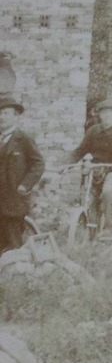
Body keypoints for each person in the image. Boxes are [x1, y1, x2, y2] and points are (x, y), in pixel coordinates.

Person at [69, 97, 112, 233]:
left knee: (107, 192)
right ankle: (90, 235)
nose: (107, 116)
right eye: (104, 113)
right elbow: (80, 151)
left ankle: (111, 230)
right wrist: (66, 165)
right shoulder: (93, 132)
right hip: (94, 171)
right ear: (100, 115)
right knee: (88, 199)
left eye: (111, 113)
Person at [0, 94, 45, 254]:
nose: (1, 117)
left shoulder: (23, 139)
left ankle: (15, 275)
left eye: (5, 114)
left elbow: (38, 163)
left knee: (13, 246)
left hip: (14, 202)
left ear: (15, 116)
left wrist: (24, 185)